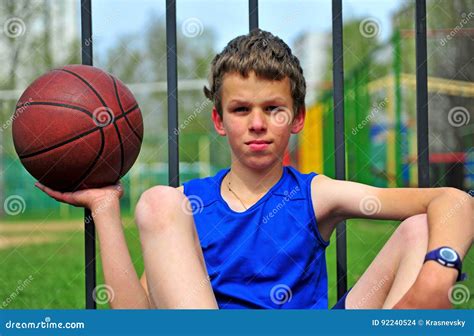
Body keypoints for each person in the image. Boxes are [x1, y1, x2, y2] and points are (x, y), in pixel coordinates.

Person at [36, 29, 473, 309]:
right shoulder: (184, 208)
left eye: (274, 108)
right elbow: (137, 319)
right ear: (218, 121)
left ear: (297, 118)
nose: (258, 123)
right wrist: (106, 208)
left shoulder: (315, 194)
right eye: (241, 109)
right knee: (157, 201)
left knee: (420, 228)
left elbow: (454, 201)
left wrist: (440, 270)